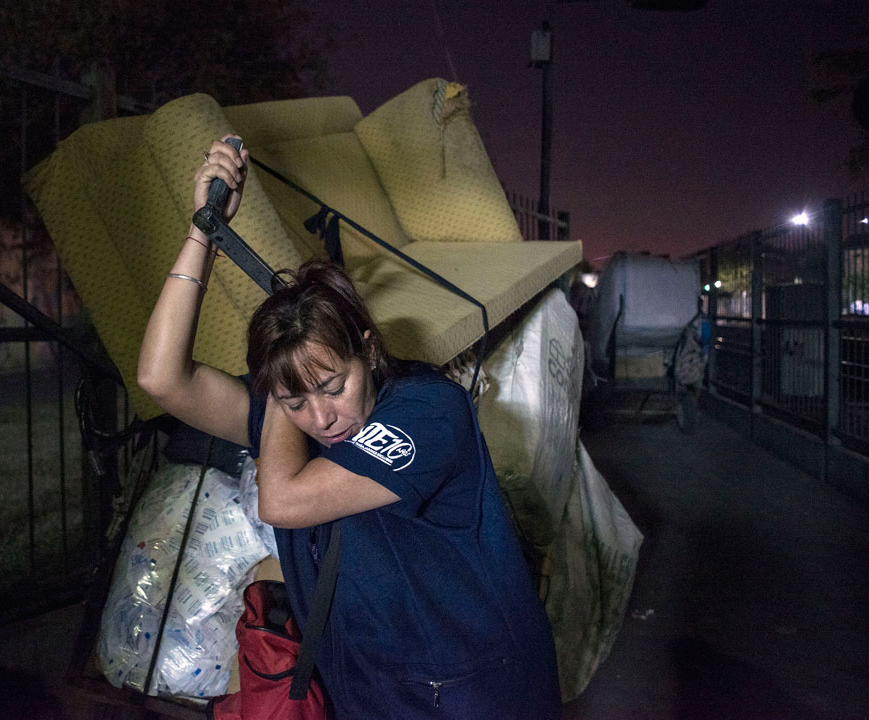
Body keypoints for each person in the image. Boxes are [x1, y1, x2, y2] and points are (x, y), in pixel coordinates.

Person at [137, 136, 560, 719]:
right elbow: (162, 379)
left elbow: (280, 499)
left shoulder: (429, 413)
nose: (321, 418)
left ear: (368, 349)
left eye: (335, 387)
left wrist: (281, 380)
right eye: (297, 401)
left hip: (469, 691)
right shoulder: (290, 413)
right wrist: (202, 233)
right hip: (368, 689)